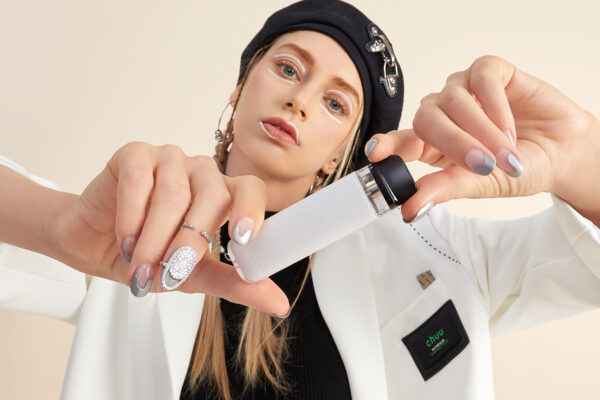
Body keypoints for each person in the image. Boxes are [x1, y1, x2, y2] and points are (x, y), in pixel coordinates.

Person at [1, 0, 600, 399]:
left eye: (337, 103)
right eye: (289, 69)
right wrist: (58, 224)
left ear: (344, 151)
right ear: (240, 87)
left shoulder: (436, 250)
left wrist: (579, 157)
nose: (301, 100)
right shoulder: (141, 224)